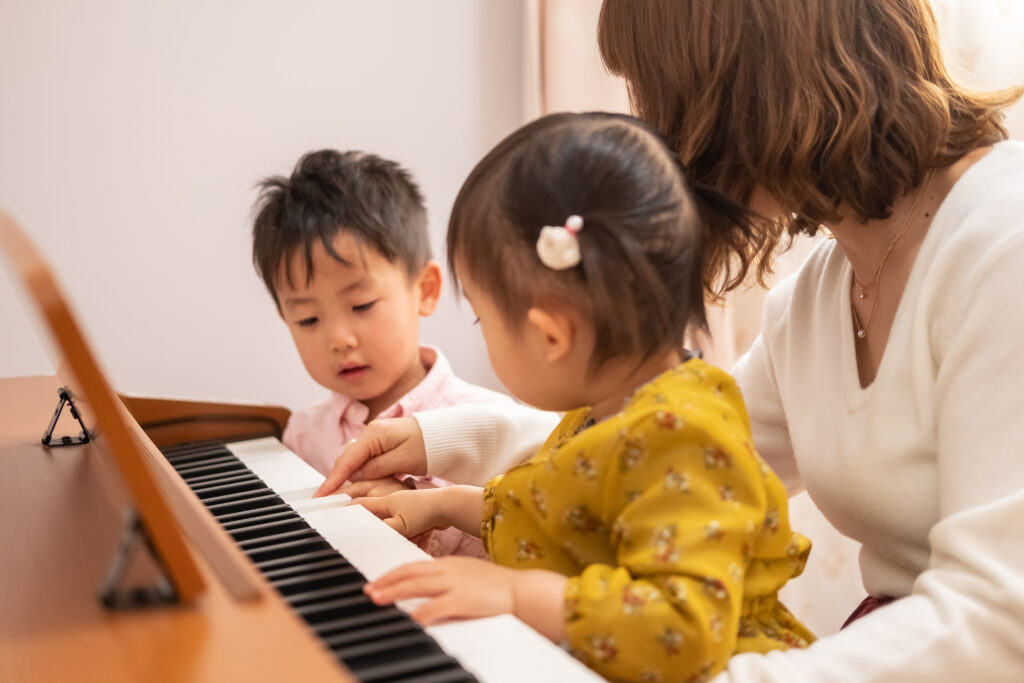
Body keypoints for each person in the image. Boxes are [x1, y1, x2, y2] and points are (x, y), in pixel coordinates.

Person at [318, 1, 1024, 680]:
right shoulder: (815, 300)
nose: (651, 131)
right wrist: (439, 442)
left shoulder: (1003, 244)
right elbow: (644, 446)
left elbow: (996, 622)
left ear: (734, 87)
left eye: (649, 90)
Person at [348, 112, 814, 682]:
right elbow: (554, 513)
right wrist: (442, 505)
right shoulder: (608, 412)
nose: (482, 332)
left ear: (551, 336)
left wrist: (520, 596)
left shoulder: (682, 436)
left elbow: (683, 630)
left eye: (482, 318)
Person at [251, 148, 515, 558]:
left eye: (361, 306)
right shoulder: (303, 436)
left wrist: (421, 513)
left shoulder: (493, 427)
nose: (339, 339)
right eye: (307, 320)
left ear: (424, 290)